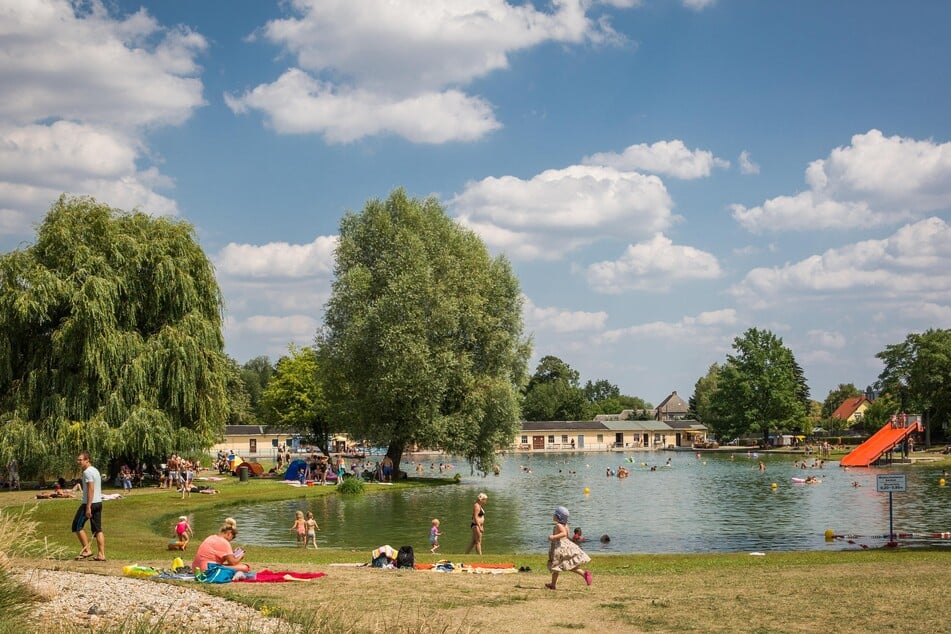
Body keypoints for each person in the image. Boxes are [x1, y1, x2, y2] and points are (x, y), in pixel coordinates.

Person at [545, 506, 592, 590]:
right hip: (565, 546)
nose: (553, 515)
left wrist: (553, 537)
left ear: (558, 516)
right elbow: (567, 535)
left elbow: (563, 534)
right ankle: (584, 574)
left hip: (559, 548)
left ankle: (553, 584)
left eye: (554, 514)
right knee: (568, 565)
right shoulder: (566, 525)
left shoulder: (558, 525)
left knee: (556, 566)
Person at [72, 450, 105, 561]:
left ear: (87, 460)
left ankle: (87, 550)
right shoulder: (95, 470)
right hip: (98, 502)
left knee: (77, 526)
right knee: (97, 529)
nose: (78, 462)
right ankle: (101, 554)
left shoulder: (87, 472)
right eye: (78, 459)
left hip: (89, 503)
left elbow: (91, 489)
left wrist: (88, 507)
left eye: (80, 460)